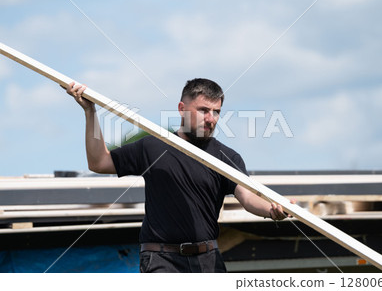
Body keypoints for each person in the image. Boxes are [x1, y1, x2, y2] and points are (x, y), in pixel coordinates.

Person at [66, 78, 291, 273]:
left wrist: (270, 210)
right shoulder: (153, 147)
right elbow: (99, 162)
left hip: (208, 261)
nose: (211, 118)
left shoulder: (226, 157)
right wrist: (90, 112)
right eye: (203, 110)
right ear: (182, 108)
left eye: (216, 112)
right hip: (161, 261)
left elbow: (247, 196)